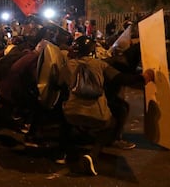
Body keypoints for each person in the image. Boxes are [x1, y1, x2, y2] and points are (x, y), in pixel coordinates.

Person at [59, 36, 154, 176]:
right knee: (110, 124)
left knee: (65, 116)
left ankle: (67, 153)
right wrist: (144, 78)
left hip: (71, 114)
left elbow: (59, 85)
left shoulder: (67, 65)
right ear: (92, 51)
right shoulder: (100, 65)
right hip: (96, 113)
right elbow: (122, 78)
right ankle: (92, 155)